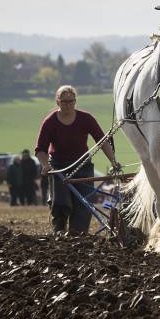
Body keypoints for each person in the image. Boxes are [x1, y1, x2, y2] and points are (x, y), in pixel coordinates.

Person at [35, 85, 119, 235]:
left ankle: (78, 235)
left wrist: (113, 161)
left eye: (71, 101)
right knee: (61, 203)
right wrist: (45, 165)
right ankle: (59, 232)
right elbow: (40, 149)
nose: (68, 104)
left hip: (82, 166)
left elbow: (102, 141)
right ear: (57, 102)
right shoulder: (50, 121)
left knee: (84, 203)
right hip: (59, 167)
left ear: (75, 101)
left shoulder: (85, 118)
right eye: (64, 101)